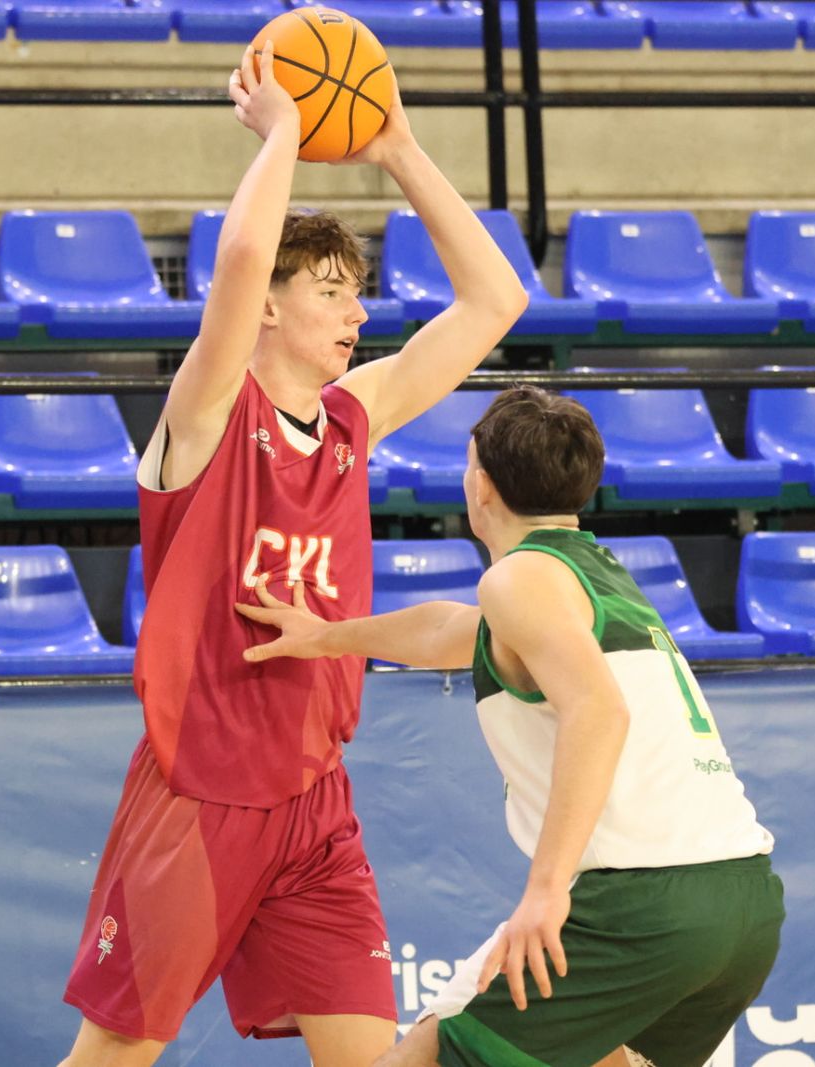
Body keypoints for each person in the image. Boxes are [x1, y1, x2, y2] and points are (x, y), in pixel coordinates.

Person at [55, 39, 529, 1067]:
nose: (358, 312)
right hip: (201, 792)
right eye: (329, 290)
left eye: (358, 293)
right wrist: (284, 132)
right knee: (114, 1056)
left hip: (315, 802)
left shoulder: (353, 416)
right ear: (269, 306)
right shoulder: (205, 415)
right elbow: (237, 262)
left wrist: (397, 149)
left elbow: (497, 302)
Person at [236, 387, 784, 1067]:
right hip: (742, 900)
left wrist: (545, 890)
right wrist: (326, 636)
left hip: (642, 904)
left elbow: (599, 711)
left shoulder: (519, 579)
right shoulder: (589, 573)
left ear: (482, 486)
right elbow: (448, 630)